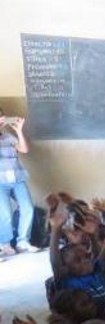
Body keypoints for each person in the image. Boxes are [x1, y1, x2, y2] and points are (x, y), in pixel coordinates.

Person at [0, 110, 37, 257]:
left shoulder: (8, 137)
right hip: (0, 182)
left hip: (18, 179)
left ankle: (23, 242)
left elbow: (24, 150)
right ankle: (5, 244)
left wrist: (19, 131)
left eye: (2, 116)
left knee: (28, 208)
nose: (2, 119)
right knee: (5, 213)